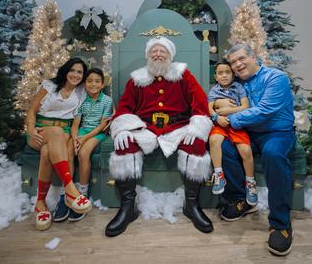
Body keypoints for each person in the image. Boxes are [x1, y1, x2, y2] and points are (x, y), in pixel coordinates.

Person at [105, 36, 214, 237]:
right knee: (124, 144)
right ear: (148, 55)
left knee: (197, 142)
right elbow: (125, 107)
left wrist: (196, 127)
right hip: (145, 127)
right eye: (153, 51)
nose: (157, 54)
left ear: (170, 55)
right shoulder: (137, 79)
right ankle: (128, 208)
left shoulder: (183, 75)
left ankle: (192, 205)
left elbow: (199, 102)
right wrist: (121, 128)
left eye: (162, 51)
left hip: (178, 126)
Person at [219, 44, 296, 256]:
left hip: (277, 132)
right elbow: (220, 102)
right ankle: (241, 200)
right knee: (226, 147)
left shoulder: (276, 77)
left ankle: (281, 224)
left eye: (241, 59)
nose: (237, 65)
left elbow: (265, 110)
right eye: (233, 62)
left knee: (273, 154)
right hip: (249, 133)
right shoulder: (236, 84)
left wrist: (230, 119)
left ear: (255, 57)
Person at [26, 57, 93, 231]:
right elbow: (32, 111)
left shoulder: (81, 91)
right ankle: (70, 189)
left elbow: (98, 102)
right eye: (73, 70)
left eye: (80, 72)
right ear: (65, 70)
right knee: (51, 139)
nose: (76, 75)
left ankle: (40, 203)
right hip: (40, 130)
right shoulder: (49, 85)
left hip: (63, 133)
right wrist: (31, 129)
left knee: (48, 151)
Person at [65, 68, 113, 222]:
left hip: (96, 133)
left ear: (102, 84)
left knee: (84, 153)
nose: (93, 84)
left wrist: (84, 139)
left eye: (97, 81)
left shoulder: (107, 101)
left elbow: (101, 126)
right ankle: (69, 190)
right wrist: (75, 138)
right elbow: (75, 124)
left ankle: (83, 192)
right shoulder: (81, 100)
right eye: (89, 81)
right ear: (84, 84)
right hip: (82, 130)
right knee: (68, 151)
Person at [208, 60, 257, 206]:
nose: (224, 76)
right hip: (221, 123)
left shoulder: (239, 88)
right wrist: (217, 117)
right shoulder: (214, 90)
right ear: (216, 76)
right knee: (214, 140)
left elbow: (246, 107)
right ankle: (218, 174)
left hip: (236, 123)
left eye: (227, 72)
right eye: (220, 73)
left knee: (245, 150)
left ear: (233, 74)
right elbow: (209, 108)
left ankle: (250, 182)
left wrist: (229, 111)